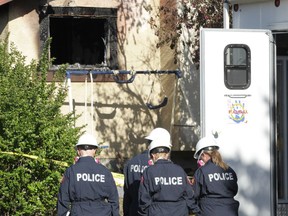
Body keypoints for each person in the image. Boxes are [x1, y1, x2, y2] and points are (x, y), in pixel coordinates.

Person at [57, 132, 119, 216]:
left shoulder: (71, 171)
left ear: (78, 151)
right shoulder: (105, 172)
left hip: (79, 212)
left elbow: (63, 199)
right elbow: (114, 199)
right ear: (95, 151)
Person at [137, 137, 200, 216]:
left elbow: (143, 199)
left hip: (157, 212)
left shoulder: (149, 172)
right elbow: (189, 194)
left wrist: (144, 213)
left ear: (153, 155)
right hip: (179, 212)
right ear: (167, 154)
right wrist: (195, 210)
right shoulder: (179, 170)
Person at [123, 127, 171, 216]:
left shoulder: (131, 162)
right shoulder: (167, 167)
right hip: (157, 211)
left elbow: (127, 193)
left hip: (134, 210)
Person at [192, 136, 239, 216]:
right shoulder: (229, 170)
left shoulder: (201, 171)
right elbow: (234, 190)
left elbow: (194, 194)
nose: (201, 161)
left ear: (203, 154)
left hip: (209, 211)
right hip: (230, 212)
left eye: (201, 158)